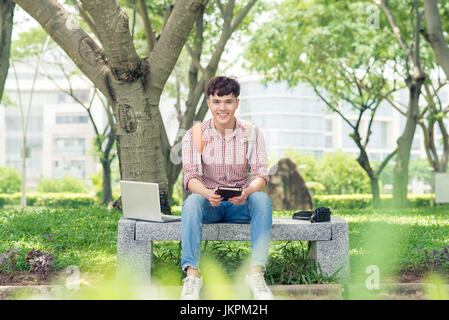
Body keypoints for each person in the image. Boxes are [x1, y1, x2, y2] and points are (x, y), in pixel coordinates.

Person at [180, 76, 273, 300]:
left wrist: (247, 193)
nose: (222, 108)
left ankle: (255, 273)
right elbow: (191, 177)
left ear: (237, 103)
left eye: (228, 102)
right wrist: (205, 193)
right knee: (192, 202)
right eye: (217, 101)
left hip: (240, 204)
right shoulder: (196, 134)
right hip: (209, 203)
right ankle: (192, 275)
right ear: (209, 103)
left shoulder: (252, 133)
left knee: (262, 200)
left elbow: (261, 174)